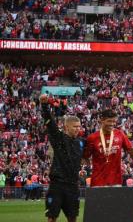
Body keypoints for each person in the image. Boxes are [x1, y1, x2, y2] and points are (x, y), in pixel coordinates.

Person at [39, 94, 83, 222]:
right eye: (75, 126)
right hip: (57, 185)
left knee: (73, 217)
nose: (78, 129)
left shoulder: (80, 142)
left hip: (73, 185)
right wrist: (44, 105)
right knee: (52, 217)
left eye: (79, 126)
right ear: (66, 127)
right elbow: (50, 123)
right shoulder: (59, 138)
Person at [82, 109, 133, 187]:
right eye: (109, 121)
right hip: (98, 180)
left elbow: (131, 152)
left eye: (114, 121)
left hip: (116, 180)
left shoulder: (120, 134)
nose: (112, 124)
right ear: (102, 120)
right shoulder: (92, 138)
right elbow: (85, 157)